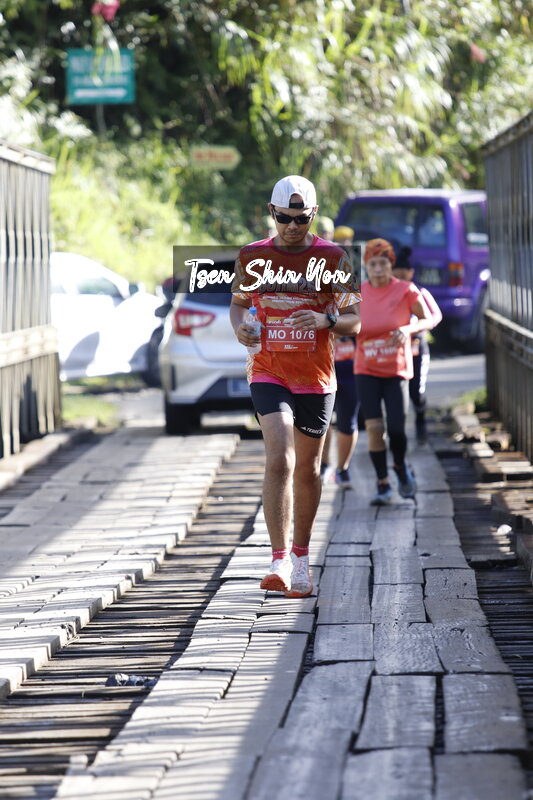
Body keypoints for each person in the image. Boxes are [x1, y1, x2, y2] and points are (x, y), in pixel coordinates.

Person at [230, 175, 361, 597]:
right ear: (272, 212)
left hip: (316, 377)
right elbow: (238, 305)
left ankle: (302, 557)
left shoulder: (334, 257)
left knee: (307, 468)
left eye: (301, 219)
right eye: (284, 218)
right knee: (280, 458)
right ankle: (279, 558)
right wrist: (241, 329)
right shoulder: (252, 256)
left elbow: (355, 321)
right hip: (268, 370)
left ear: (313, 215)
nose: (291, 226)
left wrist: (325, 320)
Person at [354, 238, 431, 505]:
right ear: (366, 266)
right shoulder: (357, 293)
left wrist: (408, 328)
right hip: (366, 369)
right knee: (374, 428)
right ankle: (382, 483)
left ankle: (399, 466)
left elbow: (428, 318)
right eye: (373, 264)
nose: (378, 269)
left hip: (397, 370)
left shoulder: (406, 290)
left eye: (383, 264)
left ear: (391, 265)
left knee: (397, 430)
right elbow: (343, 322)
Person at [320, 224, 360, 488]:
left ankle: (343, 469)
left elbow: (360, 323)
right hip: (323, 366)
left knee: (348, 421)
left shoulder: (353, 287)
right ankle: (324, 466)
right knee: (322, 423)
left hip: (351, 365)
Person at [392, 246, 443, 445]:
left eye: (403, 275)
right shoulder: (389, 294)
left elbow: (435, 315)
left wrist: (419, 325)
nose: (400, 279)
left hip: (417, 348)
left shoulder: (419, 292)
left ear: (411, 273)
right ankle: (396, 434)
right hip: (395, 351)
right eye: (396, 275)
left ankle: (421, 419)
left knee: (416, 391)